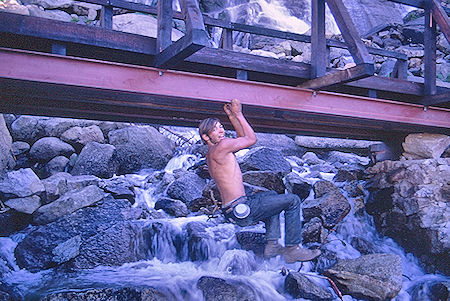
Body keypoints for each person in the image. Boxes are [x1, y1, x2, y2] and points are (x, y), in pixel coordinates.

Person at [198, 99, 321, 263]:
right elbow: (250, 139)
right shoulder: (223, 146)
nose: (220, 131)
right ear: (206, 137)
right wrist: (239, 113)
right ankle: (293, 249)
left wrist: (232, 116)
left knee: (271, 195)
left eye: (220, 126)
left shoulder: (211, 154)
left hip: (232, 211)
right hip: (242, 209)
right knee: (293, 200)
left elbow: (242, 137)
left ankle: (273, 245)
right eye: (214, 130)